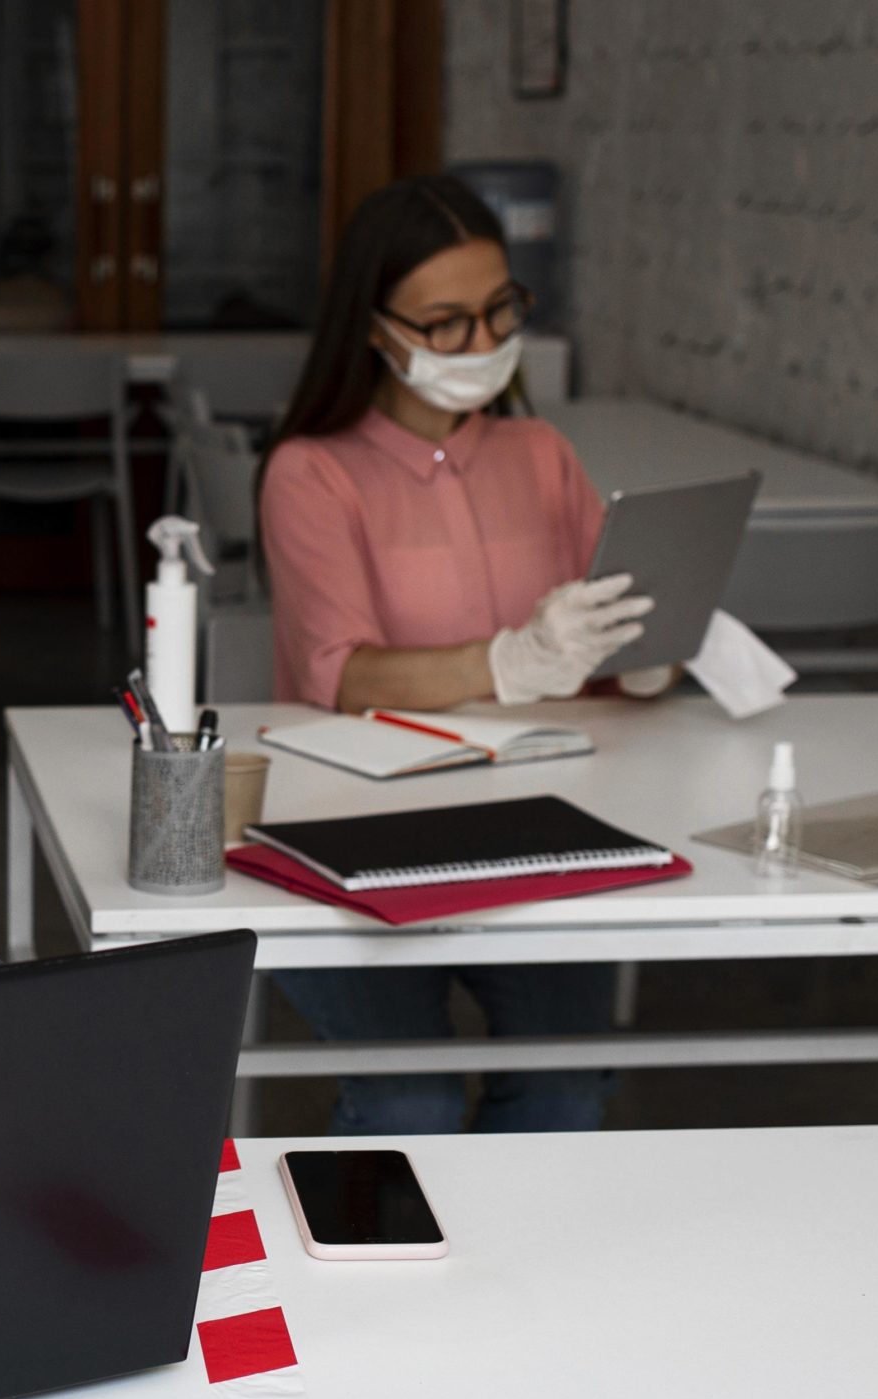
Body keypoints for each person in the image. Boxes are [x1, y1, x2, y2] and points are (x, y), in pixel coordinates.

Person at [256, 175, 667, 1135]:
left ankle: (523, 1277)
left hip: (532, 825)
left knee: (567, 1085)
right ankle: (406, 1279)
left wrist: (652, 652)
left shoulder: (541, 453)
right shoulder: (312, 472)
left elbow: (606, 630)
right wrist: (512, 664)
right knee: (414, 1097)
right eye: (444, 323)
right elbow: (342, 673)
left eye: (499, 311)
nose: (481, 344)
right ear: (373, 325)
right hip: (352, 839)